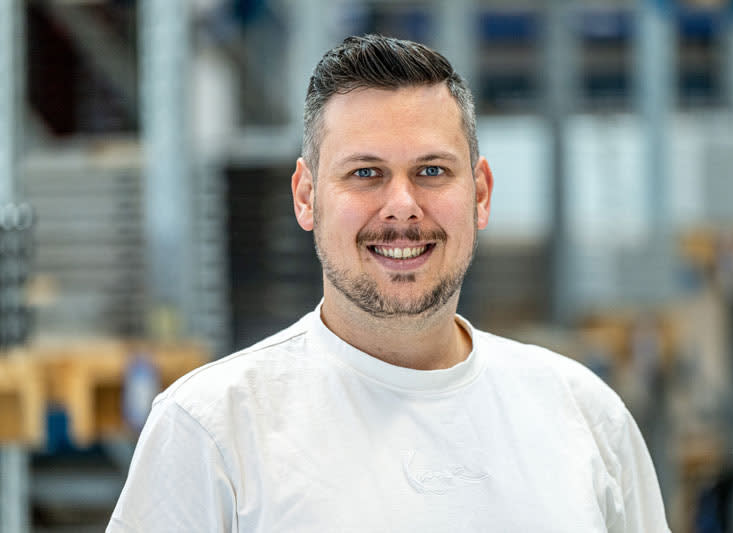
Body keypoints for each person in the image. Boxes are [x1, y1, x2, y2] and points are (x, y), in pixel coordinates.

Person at [108, 34, 670, 532]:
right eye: (365, 173)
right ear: (307, 197)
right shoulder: (212, 430)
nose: (402, 207)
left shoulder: (585, 416)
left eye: (431, 171)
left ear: (479, 194)